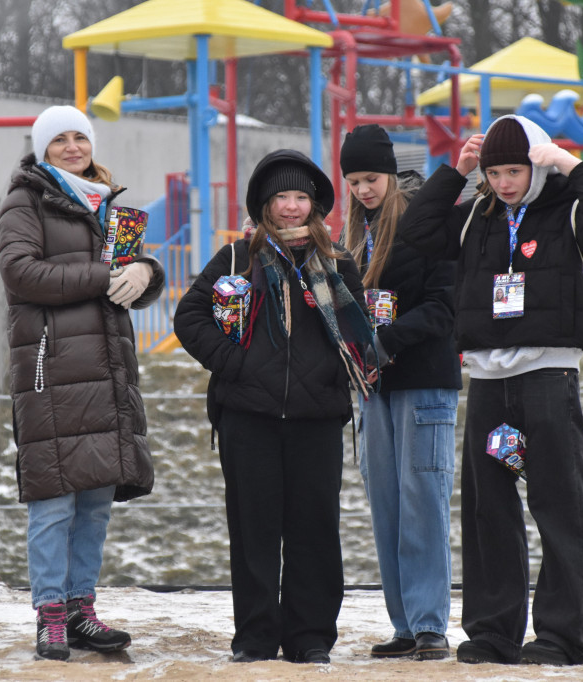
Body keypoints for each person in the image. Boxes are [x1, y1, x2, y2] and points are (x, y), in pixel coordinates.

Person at [399, 114, 583, 666]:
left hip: (548, 377)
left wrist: (572, 165)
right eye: (495, 171)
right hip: (488, 383)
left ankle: (560, 635)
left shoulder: (568, 210)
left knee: (560, 506)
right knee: (490, 513)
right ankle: (493, 632)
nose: (504, 182)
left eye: (515, 170)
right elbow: (417, 234)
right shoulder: (477, 215)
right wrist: (456, 173)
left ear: (537, 165)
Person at [173, 149, 376, 665]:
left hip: (317, 421)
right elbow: (189, 316)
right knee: (254, 533)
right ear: (265, 204)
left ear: (316, 205)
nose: (291, 207)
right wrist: (232, 363)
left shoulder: (337, 263)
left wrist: (335, 373)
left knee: (314, 531)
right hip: (248, 419)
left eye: (301, 197)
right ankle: (256, 638)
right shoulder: (237, 259)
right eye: (282, 197)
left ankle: (310, 637)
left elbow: (361, 336)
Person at [0, 105, 164, 662]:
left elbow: (129, 272)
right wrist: (105, 276)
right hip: (52, 366)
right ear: (42, 149)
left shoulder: (106, 200)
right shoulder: (27, 200)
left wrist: (147, 273)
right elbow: (21, 272)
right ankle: (49, 614)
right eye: (60, 140)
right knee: (54, 497)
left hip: (106, 366)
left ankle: (80, 607)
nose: (73, 147)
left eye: (80, 138)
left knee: (95, 498)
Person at [338, 125, 461, 661]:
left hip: (422, 379)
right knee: (386, 504)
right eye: (353, 181)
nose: (363, 189)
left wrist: (386, 340)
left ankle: (431, 622)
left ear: (390, 174)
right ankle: (404, 625)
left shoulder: (425, 223)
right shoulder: (348, 238)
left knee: (422, 501)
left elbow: (444, 305)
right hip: (371, 384)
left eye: (370, 178)